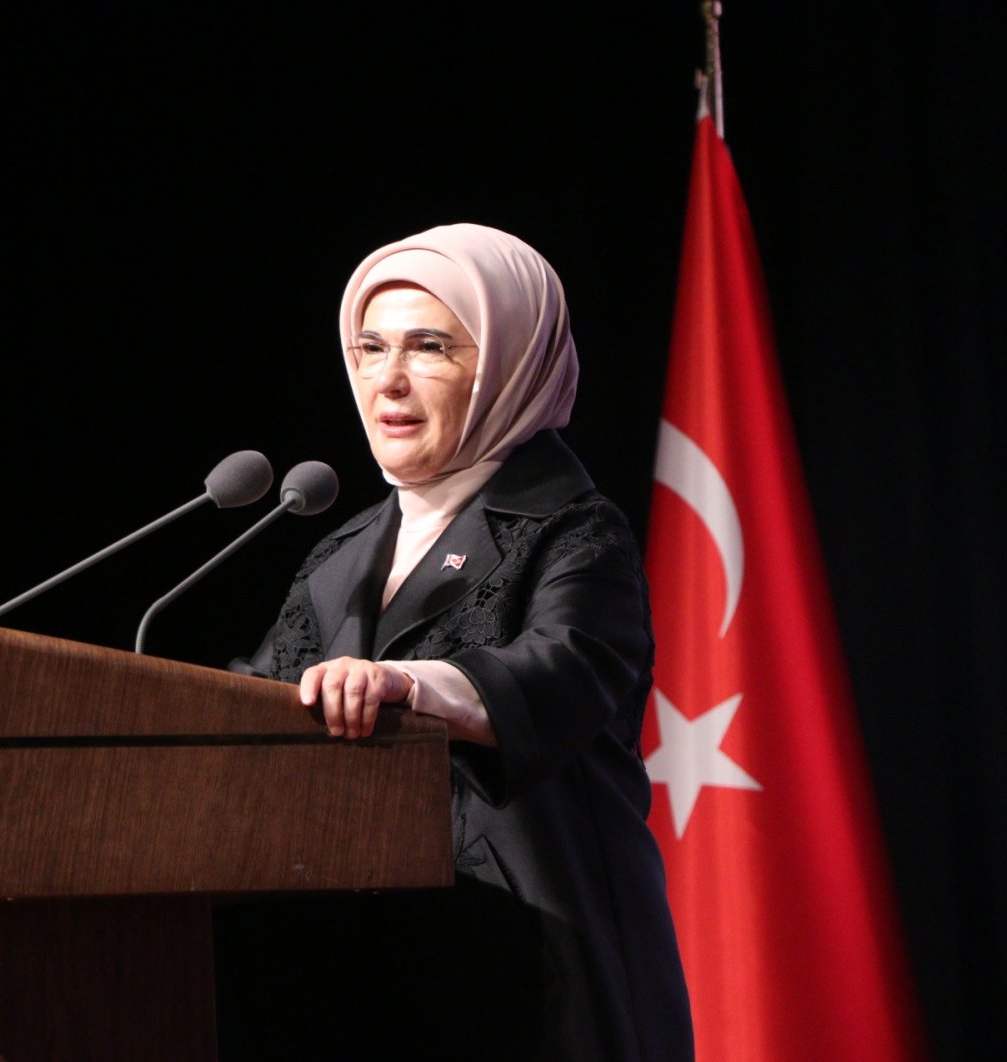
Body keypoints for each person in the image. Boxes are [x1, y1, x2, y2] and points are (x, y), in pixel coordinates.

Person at [219, 223, 693, 1060]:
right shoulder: (339, 555)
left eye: (428, 347)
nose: (387, 381)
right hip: (373, 975)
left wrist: (406, 685)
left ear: (512, 362)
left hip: (538, 967)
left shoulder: (575, 531)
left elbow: (565, 671)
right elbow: (262, 705)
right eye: (368, 349)